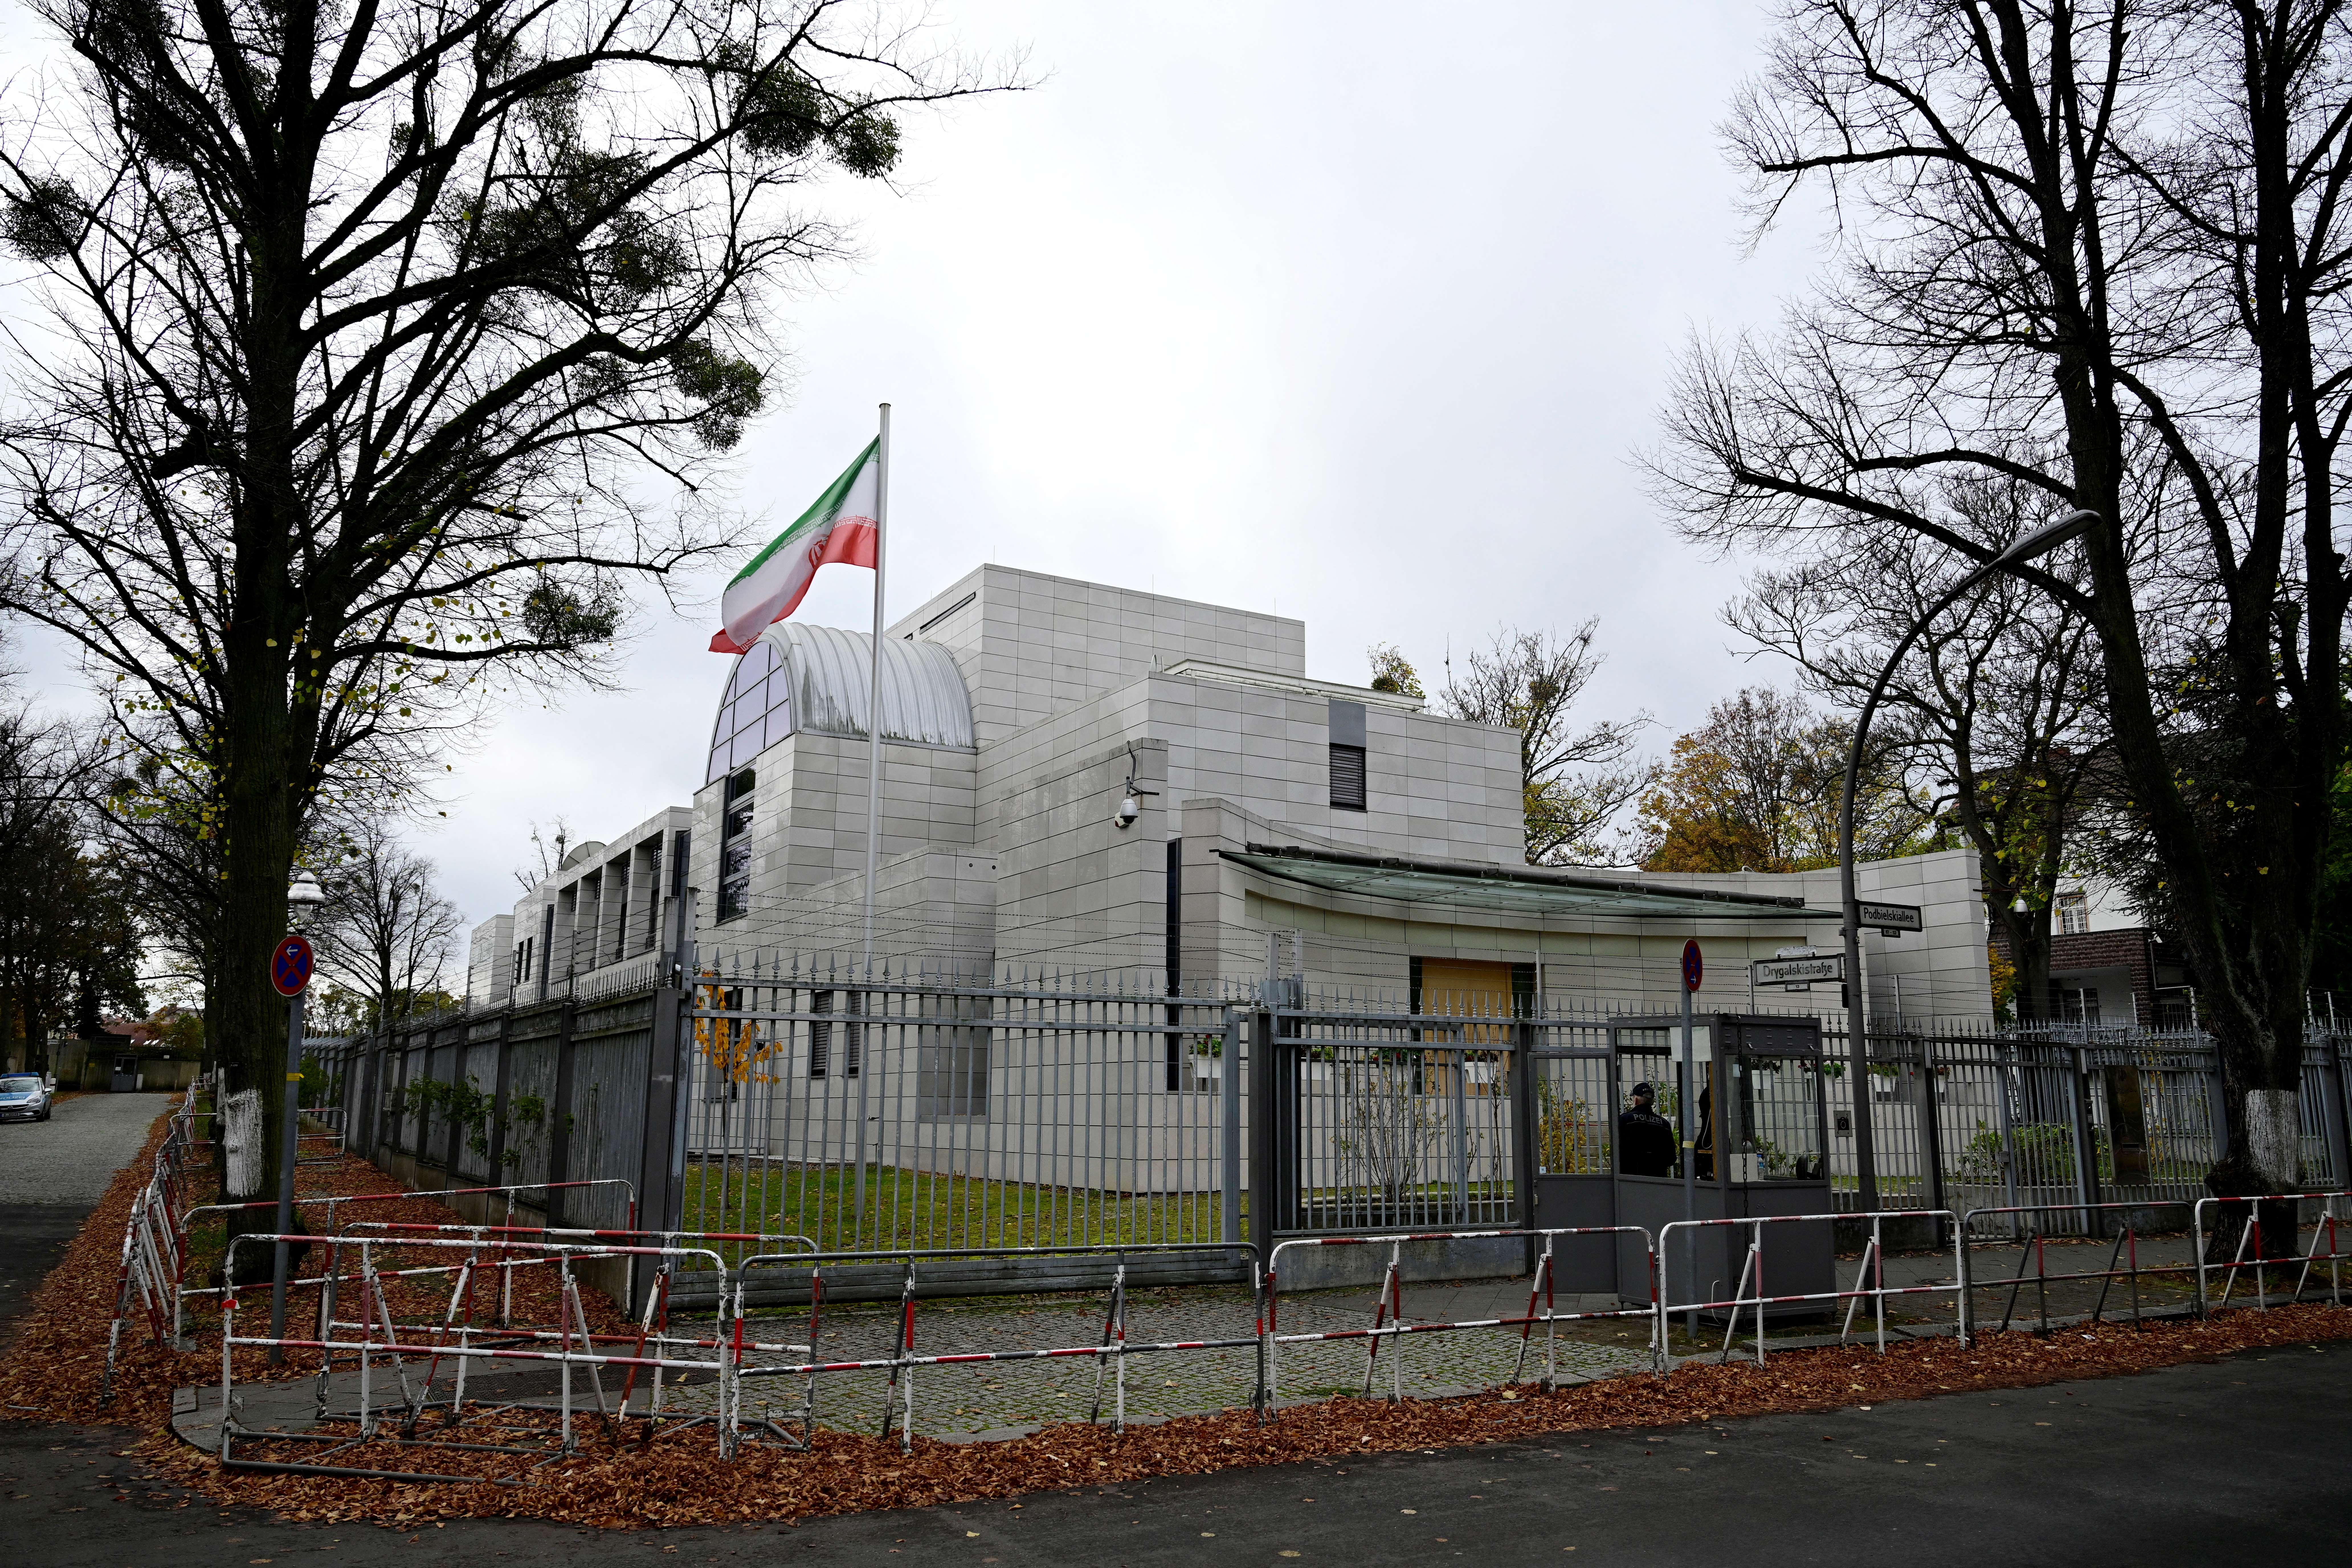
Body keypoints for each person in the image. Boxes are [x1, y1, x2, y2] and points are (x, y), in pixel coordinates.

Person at [1617, 1081, 1676, 1177]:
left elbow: (1618, 1152)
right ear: (1652, 1102)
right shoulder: (1664, 1124)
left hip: (1630, 1178)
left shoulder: (1625, 1120)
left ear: (1635, 1100)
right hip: (1658, 1179)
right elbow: (1671, 1159)